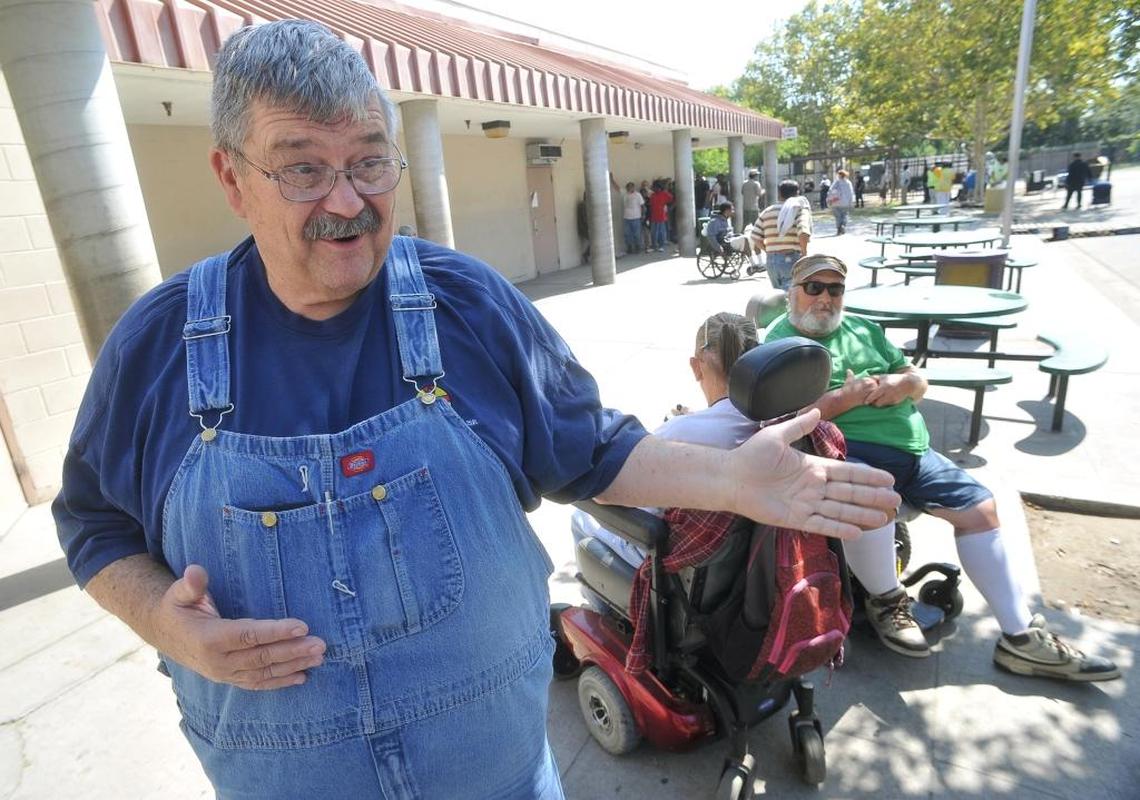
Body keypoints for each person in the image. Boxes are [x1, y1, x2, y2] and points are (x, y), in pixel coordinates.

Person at [51, 21, 899, 798]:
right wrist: (165, 621)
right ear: (233, 177)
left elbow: (589, 451)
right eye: (303, 166)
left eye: (371, 160)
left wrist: (735, 480)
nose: (347, 200)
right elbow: (93, 523)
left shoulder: (465, 305)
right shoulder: (159, 345)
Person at [765, 255, 1121, 681]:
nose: (825, 298)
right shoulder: (780, 341)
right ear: (793, 292)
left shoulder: (864, 330)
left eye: (834, 289)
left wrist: (904, 385)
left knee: (981, 509)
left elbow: (916, 379)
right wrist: (845, 399)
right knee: (875, 500)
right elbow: (776, 419)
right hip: (845, 449)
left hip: (913, 450)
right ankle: (885, 599)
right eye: (814, 288)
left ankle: (1020, 637)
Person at [572, 312, 762, 568]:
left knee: (580, 516)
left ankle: (601, 606)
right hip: (736, 563)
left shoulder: (678, 434)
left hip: (674, 562)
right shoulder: (774, 419)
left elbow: (619, 494)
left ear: (696, 367)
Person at [751, 180, 812, 290]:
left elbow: (755, 236)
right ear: (797, 193)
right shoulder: (798, 209)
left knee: (778, 297)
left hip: (771, 261)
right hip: (790, 259)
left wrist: (768, 250)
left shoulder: (767, 211)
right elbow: (803, 231)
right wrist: (804, 254)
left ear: (779, 193)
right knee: (792, 297)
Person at [705, 202, 758, 267]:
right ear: (727, 211)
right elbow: (711, 237)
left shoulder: (726, 220)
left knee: (752, 238)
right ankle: (753, 265)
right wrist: (718, 247)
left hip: (730, 240)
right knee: (745, 239)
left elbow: (730, 233)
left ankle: (758, 263)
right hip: (725, 243)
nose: (733, 212)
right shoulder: (715, 222)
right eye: (732, 210)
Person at [647, 179, 674, 252]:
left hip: (661, 216)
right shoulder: (652, 195)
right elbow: (651, 206)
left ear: (659, 187)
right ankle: (654, 245)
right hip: (653, 216)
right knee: (653, 232)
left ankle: (661, 245)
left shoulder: (664, 194)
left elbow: (671, 199)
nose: (654, 189)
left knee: (661, 232)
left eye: (656, 187)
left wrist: (669, 207)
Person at [827, 169, 855, 235]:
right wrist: (851, 202)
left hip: (836, 202)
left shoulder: (836, 182)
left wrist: (829, 200)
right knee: (844, 215)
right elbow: (851, 193)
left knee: (838, 216)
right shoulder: (848, 183)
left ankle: (838, 228)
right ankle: (843, 225)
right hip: (845, 202)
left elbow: (830, 191)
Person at [621, 181, 645, 255]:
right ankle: (630, 248)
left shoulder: (638, 195)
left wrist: (643, 215)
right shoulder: (625, 195)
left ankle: (638, 247)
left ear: (633, 187)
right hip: (626, 217)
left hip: (636, 217)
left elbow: (642, 205)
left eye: (631, 187)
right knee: (627, 234)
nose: (629, 188)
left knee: (636, 234)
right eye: (628, 187)